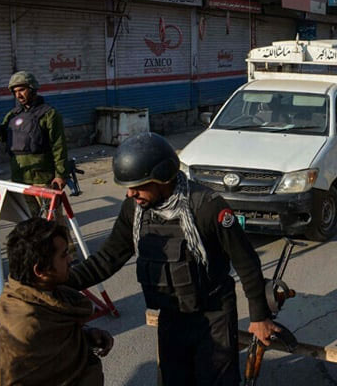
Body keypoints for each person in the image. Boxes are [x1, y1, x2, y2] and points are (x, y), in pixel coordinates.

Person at [64, 132, 278, 385]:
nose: (131, 194)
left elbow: (246, 262)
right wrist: (59, 283)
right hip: (171, 316)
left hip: (214, 314)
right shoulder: (135, 210)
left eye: (139, 185)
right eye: (128, 187)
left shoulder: (207, 207)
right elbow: (108, 258)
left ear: (163, 177)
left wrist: (259, 316)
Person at [0, 218, 113, 386]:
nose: (70, 259)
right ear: (40, 270)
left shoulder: (45, 295)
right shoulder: (23, 328)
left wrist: (85, 335)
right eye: (64, 255)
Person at [0, 71, 68, 217]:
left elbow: (59, 146)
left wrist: (60, 175)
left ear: (32, 88)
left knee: (53, 221)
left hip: (43, 179)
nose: (18, 95)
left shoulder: (49, 114)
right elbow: (4, 137)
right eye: (15, 92)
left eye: (22, 90)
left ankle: (64, 241)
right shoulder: (13, 115)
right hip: (20, 179)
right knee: (30, 221)